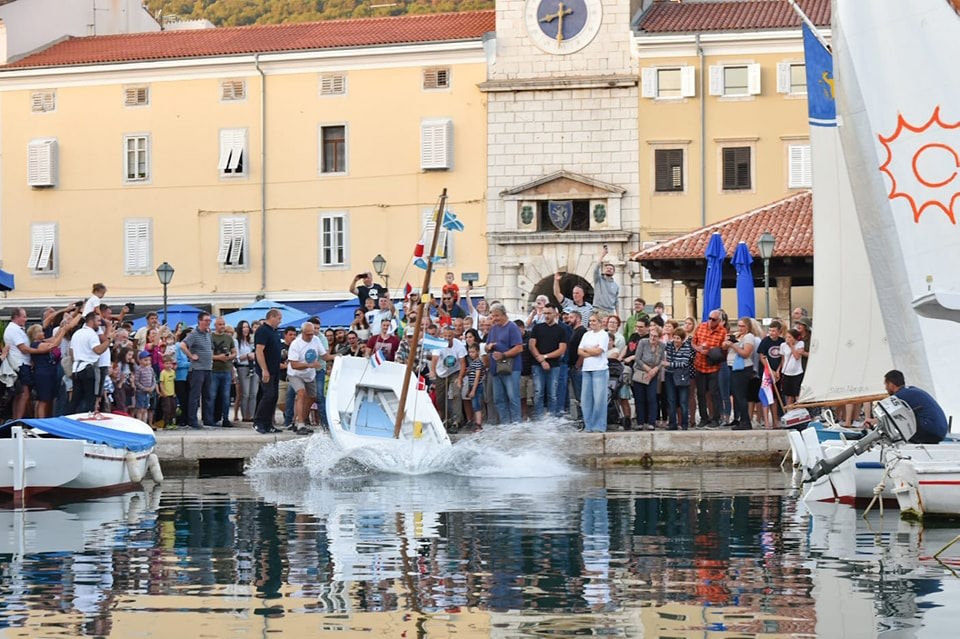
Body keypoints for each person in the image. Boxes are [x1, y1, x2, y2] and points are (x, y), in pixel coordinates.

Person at [286, 321, 333, 435]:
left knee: (313, 397)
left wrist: (336, 357)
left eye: (312, 333)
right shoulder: (296, 344)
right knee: (301, 393)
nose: (311, 336)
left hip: (309, 375)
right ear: (302, 333)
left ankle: (299, 421)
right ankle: (301, 424)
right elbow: (294, 365)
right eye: (308, 334)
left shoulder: (316, 340)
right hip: (295, 374)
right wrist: (310, 365)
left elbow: (324, 356)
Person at [878, 370, 948, 444]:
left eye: (886, 385)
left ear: (891, 384)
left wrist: (873, 421)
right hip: (940, 432)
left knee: (897, 420)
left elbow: (886, 414)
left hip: (930, 431)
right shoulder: (911, 390)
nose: (886, 388)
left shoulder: (900, 396)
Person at [26, 320, 77, 418]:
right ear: (35, 335)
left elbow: (54, 338)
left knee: (48, 399)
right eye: (40, 332)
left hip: (49, 373)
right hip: (43, 374)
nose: (43, 333)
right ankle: (41, 422)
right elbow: (54, 345)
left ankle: (45, 418)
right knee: (43, 400)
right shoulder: (36, 345)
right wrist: (63, 331)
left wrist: (62, 328)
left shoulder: (43, 342)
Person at [485, 303, 523, 423]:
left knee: (513, 397)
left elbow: (519, 348)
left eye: (497, 315)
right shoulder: (493, 329)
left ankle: (516, 424)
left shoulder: (512, 327)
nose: (495, 318)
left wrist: (504, 355)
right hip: (496, 369)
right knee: (498, 399)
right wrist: (488, 347)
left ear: (504, 314)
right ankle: (505, 424)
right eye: (493, 316)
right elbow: (486, 347)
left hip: (511, 368)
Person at [68, 312, 114, 413]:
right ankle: (87, 420)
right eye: (98, 321)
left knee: (75, 399)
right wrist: (109, 340)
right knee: (90, 399)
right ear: (91, 320)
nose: (99, 324)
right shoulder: (91, 334)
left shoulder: (77, 333)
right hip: (88, 368)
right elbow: (98, 350)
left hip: (76, 367)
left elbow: (71, 352)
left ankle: (70, 420)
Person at [528, 305, 567, 418]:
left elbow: (562, 349)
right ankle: (539, 419)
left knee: (553, 394)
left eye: (549, 313)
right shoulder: (537, 328)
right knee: (538, 392)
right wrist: (540, 359)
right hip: (537, 364)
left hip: (554, 365)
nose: (546, 316)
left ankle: (552, 418)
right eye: (545, 313)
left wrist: (545, 357)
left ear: (555, 314)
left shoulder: (561, 330)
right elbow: (531, 345)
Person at [691, 310, 728, 428]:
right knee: (701, 394)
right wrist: (698, 349)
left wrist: (712, 352)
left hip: (713, 366)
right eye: (710, 318)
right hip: (699, 365)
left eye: (714, 319)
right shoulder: (701, 327)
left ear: (719, 321)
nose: (711, 321)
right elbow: (693, 342)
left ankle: (715, 418)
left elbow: (724, 350)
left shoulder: (722, 332)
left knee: (714, 394)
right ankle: (703, 418)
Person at [180, 312, 214, 429]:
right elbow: (182, 345)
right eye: (206, 320)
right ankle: (192, 420)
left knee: (207, 395)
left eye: (209, 320)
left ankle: (208, 419)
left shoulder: (208, 334)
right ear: (200, 321)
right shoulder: (194, 334)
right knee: (195, 396)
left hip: (208, 368)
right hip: (197, 369)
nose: (208, 323)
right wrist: (191, 356)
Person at [577, 313, 610, 432]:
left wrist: (587, 349)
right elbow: (579, 351)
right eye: (590, 321)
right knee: (586, 399)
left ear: (600, 322)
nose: (591, 323)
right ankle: (589, 425)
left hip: (599, 369)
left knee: (599, 399)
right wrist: (591, 350)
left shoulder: (603, 335)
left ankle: (599, 426)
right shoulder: (586, 334)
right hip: (587, 369)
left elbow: (599, 351)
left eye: (594, 321)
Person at [430, 323, 466, 432]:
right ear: (442, 335)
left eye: (449, 336)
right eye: (445, 336)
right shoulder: (438, 344)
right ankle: (446, 418)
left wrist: (460, 378)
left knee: (456, 393)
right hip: (441, 373)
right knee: (440, 398)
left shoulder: (459, 345)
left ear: (453, 336)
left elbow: (463, 363)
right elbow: (434, 359)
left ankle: (457, 420)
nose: (447, 338)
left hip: (455, 371)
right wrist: (432, 371)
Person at [253, 309, 284, 434]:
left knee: (273, 397)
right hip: (266, 370)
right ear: (272, 317)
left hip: (275, 369)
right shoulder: (262, 331)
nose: (280, 321)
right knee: (268, 395)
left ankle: (268, 423)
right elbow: (259, 351)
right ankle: (258, 421)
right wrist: (264, 370)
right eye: (278, 318)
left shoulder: (274, 332)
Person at [726, 317, 759, 430]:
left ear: (748, 327)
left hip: (743, 368)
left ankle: (746, 421)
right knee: (736, 395)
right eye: (739, 326)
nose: (740, 328)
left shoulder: (749, 337)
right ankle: (741, 420)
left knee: (741, 395)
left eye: (743, 326)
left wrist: (733, 345)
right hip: (732, 366)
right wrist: (727, 342)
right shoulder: (737, 335)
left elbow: (745, 353)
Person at [632, 324, 664, 431]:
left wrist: (655, 370)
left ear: (659, 337)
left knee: (652, 398)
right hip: (641, 372)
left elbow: (662, 361)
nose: (652, 338)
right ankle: (640, 422)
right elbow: (637, 358)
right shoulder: (643, 342)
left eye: (655, 336)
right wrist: (648, 370)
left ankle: (651, 422)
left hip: (653, 374)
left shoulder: (662, 346)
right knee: (640, 398)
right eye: (651, 335)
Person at [664, 327, 694, 430]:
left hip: (682, 376)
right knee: (671, 400)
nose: (676, 340)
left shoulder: (687, 347)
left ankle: (684, 424)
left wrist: (669, 364)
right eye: (674, 338)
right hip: (669, 375)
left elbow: (684, 363)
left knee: (683, 401)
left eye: (678, 338)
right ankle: (673, 424)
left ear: (682, 339)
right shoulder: (669, 345)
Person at [209, 317, 237, 428]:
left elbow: (234, 352)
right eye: (220, 324)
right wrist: (218, 357)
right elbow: (208, 355)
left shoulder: (228, 338)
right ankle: (211, 418)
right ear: (215, 325)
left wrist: (229, 357)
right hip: (214, 370)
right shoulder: (210, 337)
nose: (222, 326)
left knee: (226, 396)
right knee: (212, 395)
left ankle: (226, 419)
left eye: (223, 324)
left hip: (226, 370)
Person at [757, 320, 785, 429]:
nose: (772, 333)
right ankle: (766, 421)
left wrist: (778, 371)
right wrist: (770, 371)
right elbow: (761, 357)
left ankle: (775, 421)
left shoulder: (782, 342)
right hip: (767, 373)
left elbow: (783, 358)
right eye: (770, 330)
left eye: (774, 331)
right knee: (766, 395)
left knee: (775, 398)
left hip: (778, 374)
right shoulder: (765, 341)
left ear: (779, 331)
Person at [234, 320, 256, 422]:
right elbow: (237, 358)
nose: (246, 329)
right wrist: (247, 356)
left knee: (253, 393)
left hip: (253, 367)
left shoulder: (250, 341)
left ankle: (251, 415)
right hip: (243, 367)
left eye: (247, 327)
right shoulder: (236, 342)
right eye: (243, 327)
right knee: (245, 393)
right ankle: (245, 416)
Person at [779, 328, 805, 405]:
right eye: (786, 337)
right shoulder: (783, 345)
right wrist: (781, 370)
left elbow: (797, 357)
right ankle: (789, 413)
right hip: (787, 373)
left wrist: (791, 346)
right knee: (789, 396)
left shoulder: (800, 344)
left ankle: (800, 414)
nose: (787, 339)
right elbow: (783, 359)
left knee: (797, 395)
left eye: (790, 337)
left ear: (795, 338)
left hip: (797, 372)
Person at [463, 341, 486, 431]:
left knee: (477, 406)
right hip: (472, 385)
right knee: (474, 405)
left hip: (477, 386)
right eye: (470, 352)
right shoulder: (473, 363)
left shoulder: (478, 363)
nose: (471, 354)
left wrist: (473, 390)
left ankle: (478, 424)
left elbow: (477, 377)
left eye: (473, 352)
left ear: (478, 352)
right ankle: (477, 423)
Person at [592, 245, 619, 315]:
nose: (609, 269)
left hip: (610, 312)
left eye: (611, 269)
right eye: (607, 268)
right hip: (599, 310)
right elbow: (595, 269)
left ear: (613, 272)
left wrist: (618, 314)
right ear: (604, 270)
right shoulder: (598, 280)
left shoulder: (616, 286)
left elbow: (616, 301)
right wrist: (603, 255)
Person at [174, 329, 192, 426]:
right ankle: (181, 419)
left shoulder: (193, 347)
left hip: (191, 377)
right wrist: (191, 363)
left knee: (190, 399)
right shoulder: (178, 346)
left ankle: (189, 418)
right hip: (181, 377)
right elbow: (178, 363)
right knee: (182, 399)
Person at [134, 351, 157, 425]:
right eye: (145, 360)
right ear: (140, 360)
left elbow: (154, 380)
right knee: (140, 409)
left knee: (146, 409)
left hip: (148, 392)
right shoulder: (139, 370)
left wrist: (152, 388)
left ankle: (145, 424)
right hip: (141, 392)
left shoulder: (151, 369)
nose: (147, 362)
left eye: (149, 360)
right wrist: (144, 388)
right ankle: (139, 424)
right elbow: (136, 382)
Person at [158, 357, 177, 428]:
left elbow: (173, 382)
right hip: (166, 394)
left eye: (170, 363)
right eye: (166, 363)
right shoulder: (163, 373)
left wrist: (174, 392)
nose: (168, 365)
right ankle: (166, 423)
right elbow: (161, 383)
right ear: (163, 364)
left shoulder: (173, 372)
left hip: (172, 394)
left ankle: (171, 422)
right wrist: (163, 392)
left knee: (173, 408)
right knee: (167, 409)